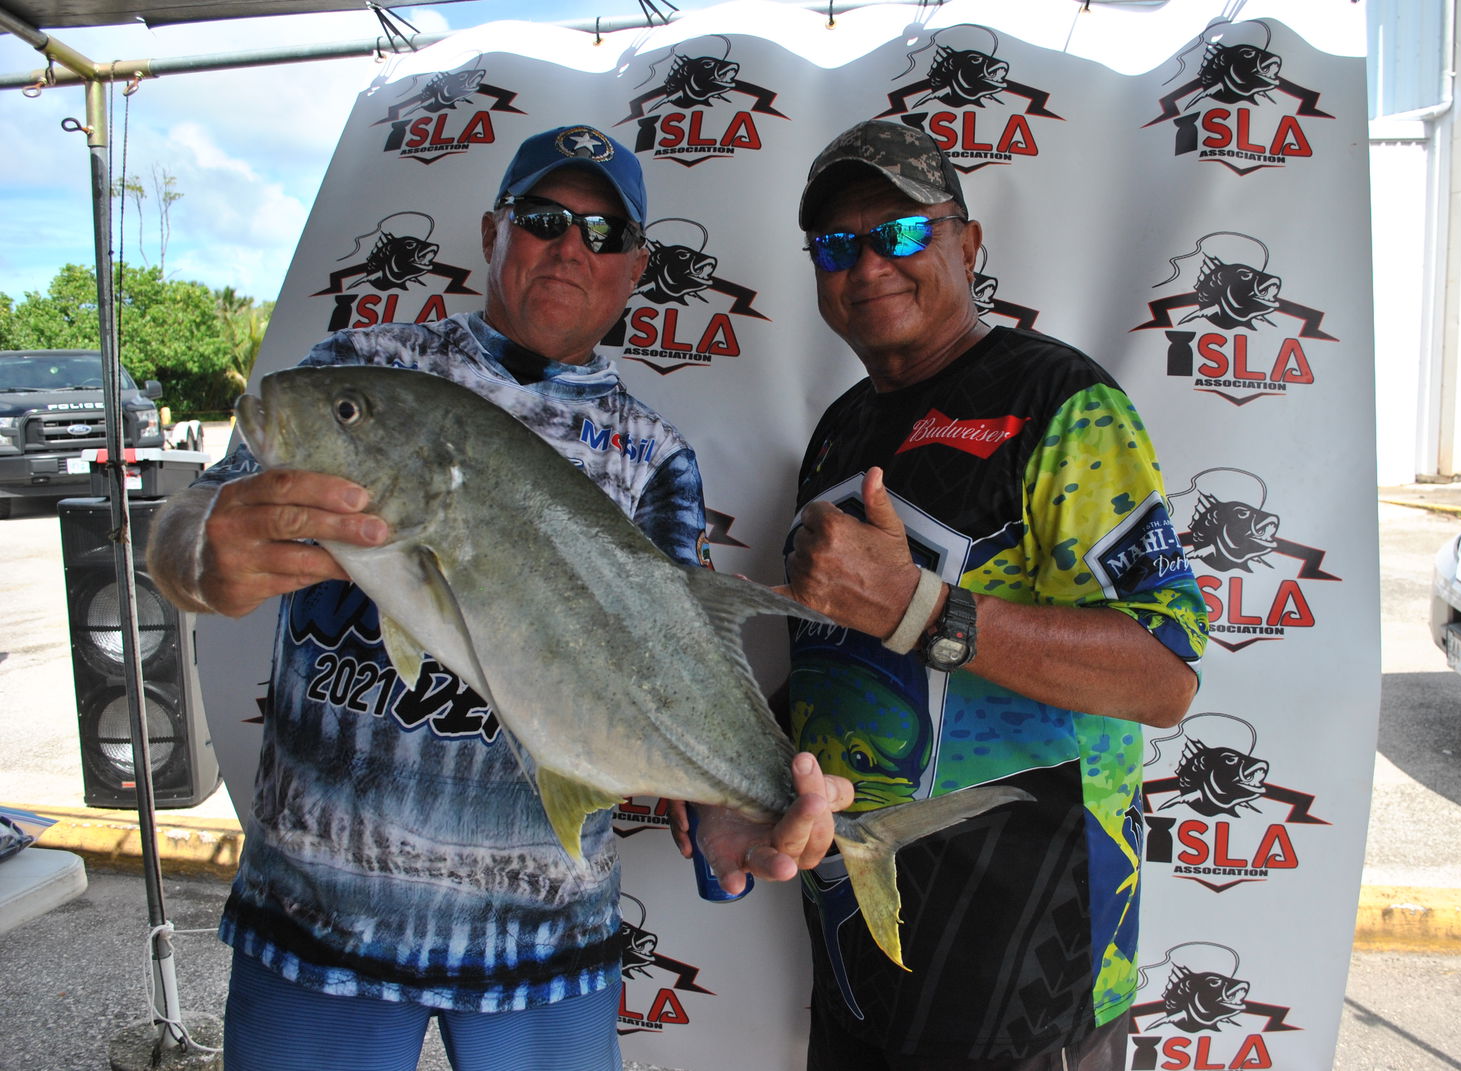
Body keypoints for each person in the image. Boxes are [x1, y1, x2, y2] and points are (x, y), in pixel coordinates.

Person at [147, 123, 847, 1071]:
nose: (570, 246)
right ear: (493, 231)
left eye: (603, 233)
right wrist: (200, 554)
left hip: (545, 946)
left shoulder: (653, 458)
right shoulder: (361, 369)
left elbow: (675, 685)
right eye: (545, 218)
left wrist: (739, 813)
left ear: (634, 267)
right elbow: (184, 529)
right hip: (316, 924)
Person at [771, 119, 1209, 1070]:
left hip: (1026, 969)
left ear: (968, 244)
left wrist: (919, 607)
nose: (868, 263)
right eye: (838, 244)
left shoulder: (1059, 403)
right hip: (859, 952)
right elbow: (833, 669)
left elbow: (1163, 673)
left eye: (900, 232)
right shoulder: (842, 430)